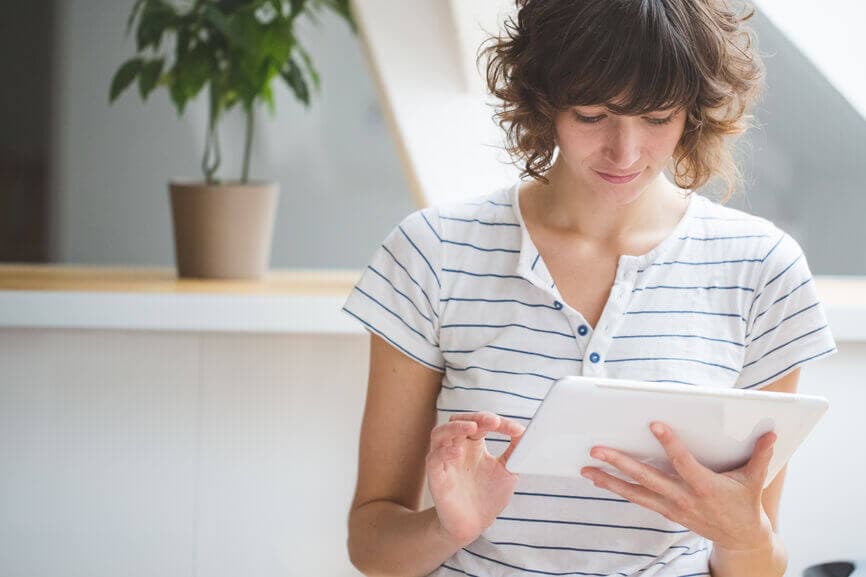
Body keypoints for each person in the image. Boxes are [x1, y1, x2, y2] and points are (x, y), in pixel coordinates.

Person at [342, 0, 838, 575]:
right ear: (543, 101)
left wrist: (744, 537)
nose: (624, 153)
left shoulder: (762, 270)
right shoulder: (435, 250)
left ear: (693, 112)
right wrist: (446, 525)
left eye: (656, 119)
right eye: (591, 114)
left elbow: (759, 561)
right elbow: (372, 545)